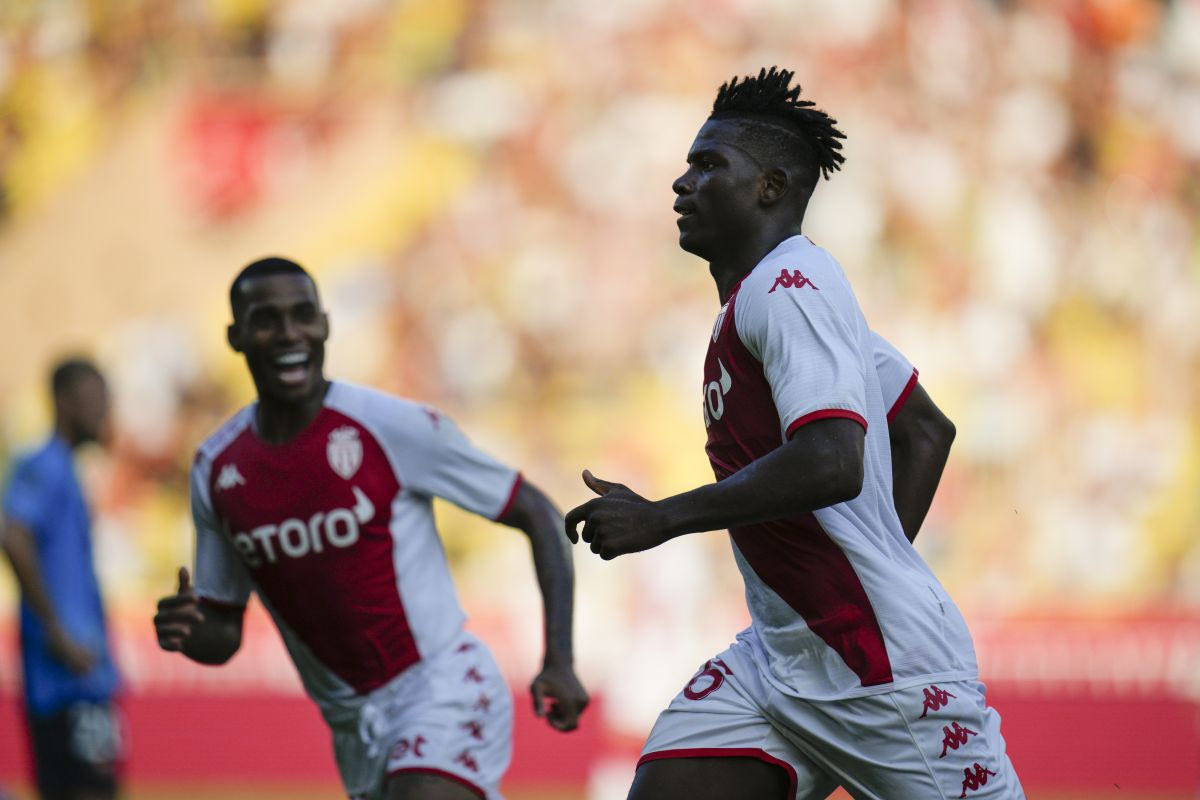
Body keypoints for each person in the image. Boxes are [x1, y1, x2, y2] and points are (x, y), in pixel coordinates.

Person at [566, 68, 1022, 799]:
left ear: (770, 187)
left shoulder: (790, 288)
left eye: (708, 164)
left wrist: (664, 516)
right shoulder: (779, 296)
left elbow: (833, 460)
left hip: (880, 669)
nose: (682, 183)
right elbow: (924, 430)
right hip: (783, 660)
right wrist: (869, 566)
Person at [152, 257, 588, 800]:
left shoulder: (391, 426)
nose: (289, 333)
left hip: (441, 685)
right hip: (353, 728)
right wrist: (189, 631)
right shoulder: (216, 468)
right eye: (266, 320)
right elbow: (223, 631)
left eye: (302, 315)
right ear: (235, 337)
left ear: (325, 325)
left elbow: (538, 513)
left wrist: (560, 659)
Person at [2, 358, 123, 800]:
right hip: (68, 677)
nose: (104, 411)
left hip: (77, 673)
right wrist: (57, 630)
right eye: (95, 399)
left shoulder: (67, 469)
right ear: (63, 401)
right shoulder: (43, 465)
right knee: (90, 788)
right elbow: (13, 535)